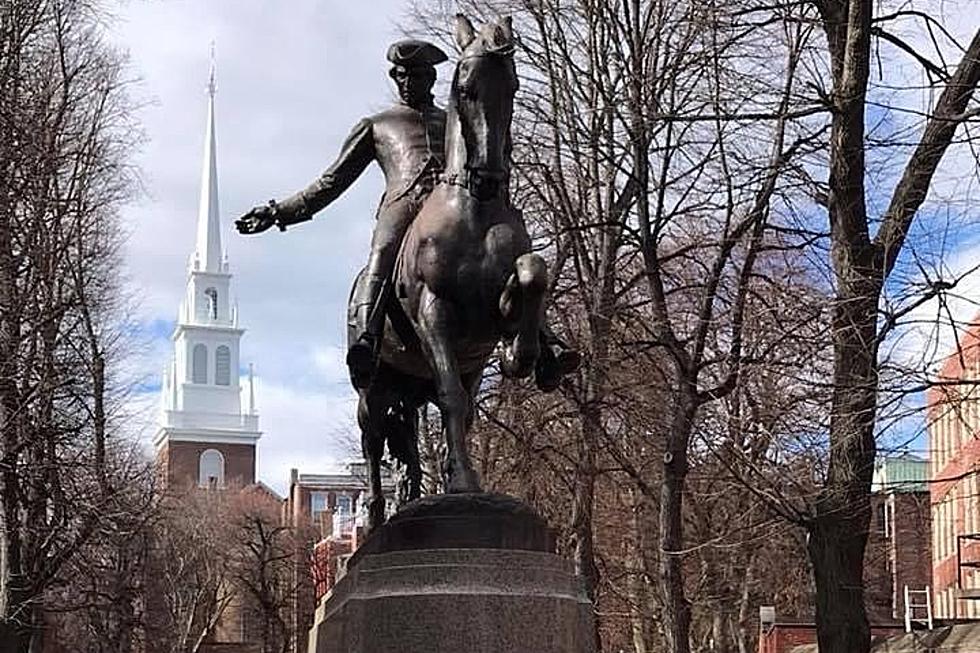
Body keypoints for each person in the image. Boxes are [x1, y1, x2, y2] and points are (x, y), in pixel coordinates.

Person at [236, 39, 578, 389]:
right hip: (403, 203)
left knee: (512, 251)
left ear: (430, 78)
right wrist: (279, 213)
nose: (406, 81)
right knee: (383, 251)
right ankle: (368, 336)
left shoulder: (453, 119)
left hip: (455, 205)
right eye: (399, 75)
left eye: (414, 75)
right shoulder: (377, 125)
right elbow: (330, 182)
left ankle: (545, 340)